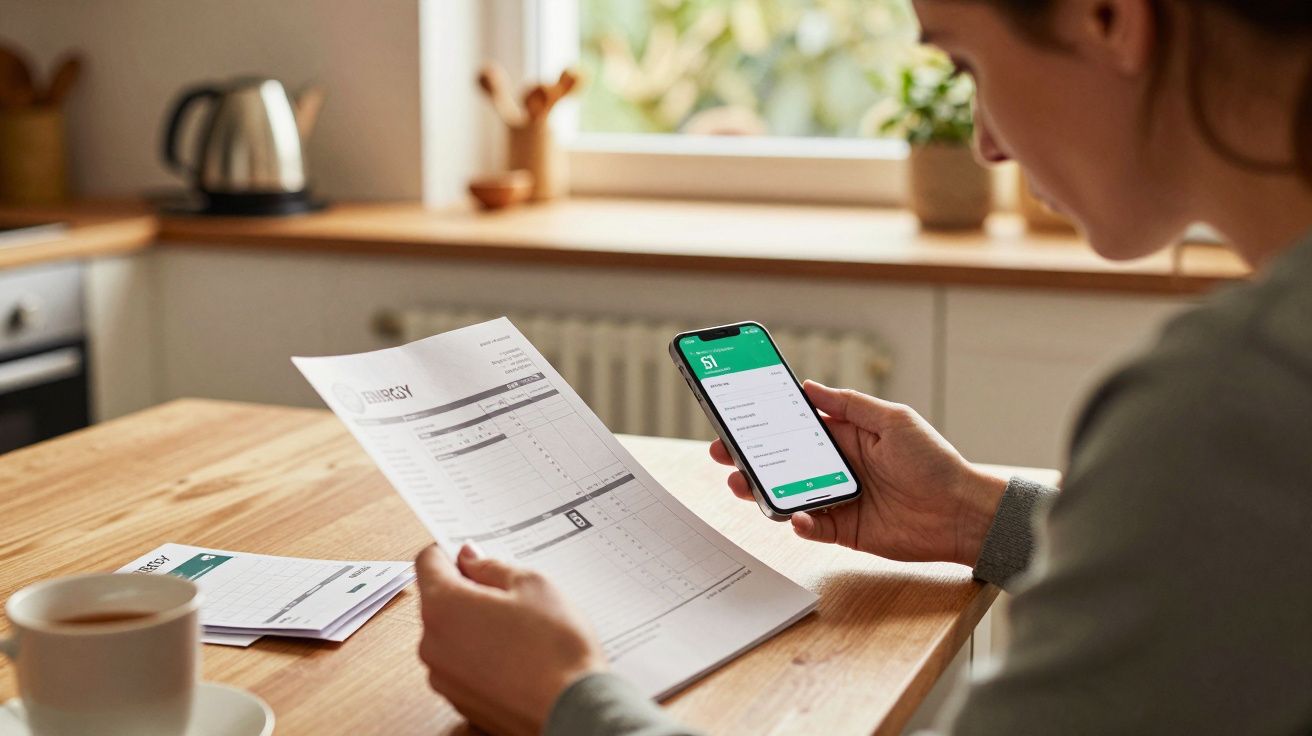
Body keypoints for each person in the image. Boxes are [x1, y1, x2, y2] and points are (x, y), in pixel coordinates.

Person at [413, 0, 1312, 732]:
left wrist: (565, 699)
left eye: (967, 65)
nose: (986, 145)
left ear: (1108, 17)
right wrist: (975, 515)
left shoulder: (1228, 402)